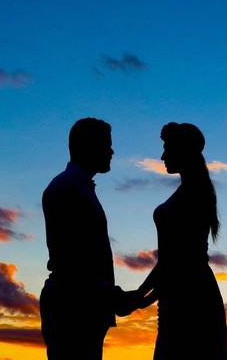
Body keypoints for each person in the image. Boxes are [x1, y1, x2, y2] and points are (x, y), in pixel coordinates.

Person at [41, 117, 141, 360]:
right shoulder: (69, 188)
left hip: (82, 305)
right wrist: (113, 296)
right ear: (87, 147)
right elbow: (72, 260)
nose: (111, 151)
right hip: (75, 307)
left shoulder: (76, 187)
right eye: (106, 145)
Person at [136, 122, 227, 359]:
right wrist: (142, 296)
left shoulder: (195, 194)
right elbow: (173, 261)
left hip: (191, 298)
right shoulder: (193, 191)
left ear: (183, 151)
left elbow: (178, 260)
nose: (162, 156)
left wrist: (140, 296)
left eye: (168, 149)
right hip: (181, 294)